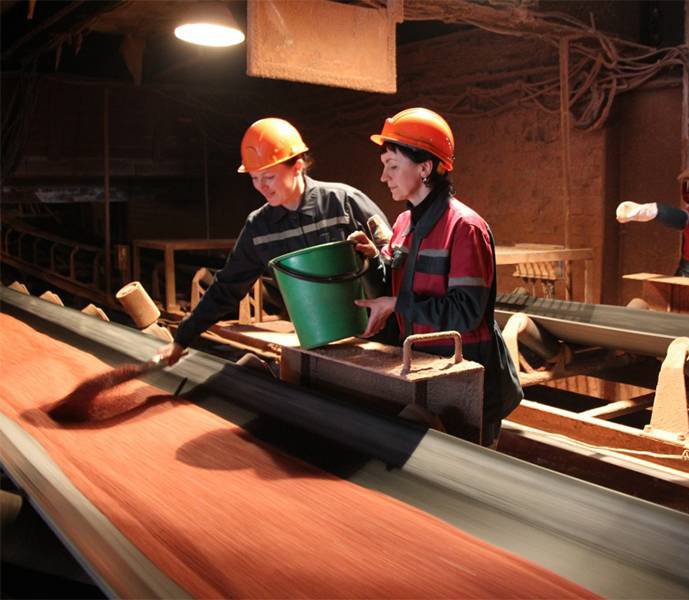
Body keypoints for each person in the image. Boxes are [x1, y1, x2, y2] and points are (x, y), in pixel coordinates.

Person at [349, 107, 523, 447]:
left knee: (465, 469)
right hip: (423, 369)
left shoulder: (465, 227)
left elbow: (466, 313)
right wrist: (373, 261)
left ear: (425, 168)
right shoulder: (404, 224)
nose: (384, 176)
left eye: (392, 166)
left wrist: (397, 304)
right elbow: (399, 284)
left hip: (467, 377)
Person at [158, 117, 388, 365]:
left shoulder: (343, 203)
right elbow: (226, 288)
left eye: (268, 177)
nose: (261, 187)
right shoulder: (259, 227)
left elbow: (395, 260)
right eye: (254, 178)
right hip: (315, 344)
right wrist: (181, 339)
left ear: (297, 166)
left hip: (377, 338)